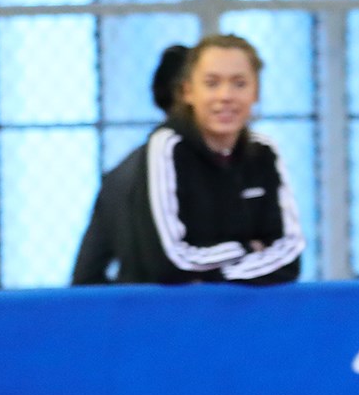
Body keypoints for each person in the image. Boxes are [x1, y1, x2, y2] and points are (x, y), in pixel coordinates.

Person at [76, 34, 302, 285]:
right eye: (211, 83)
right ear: (187, 91)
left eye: (239, 83)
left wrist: (213, 274)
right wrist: (247, 249)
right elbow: (167, 264)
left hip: (241, 315)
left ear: (256, 92)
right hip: (165, 314)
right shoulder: (162, 151)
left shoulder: (263, 151)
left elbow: (289, 257)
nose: (225, 96)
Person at [72, 44, 191, 285]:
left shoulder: (119, 175)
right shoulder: (217, 168)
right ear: (187, 92)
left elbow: (85, 276)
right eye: (212, 83)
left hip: (136, 312)